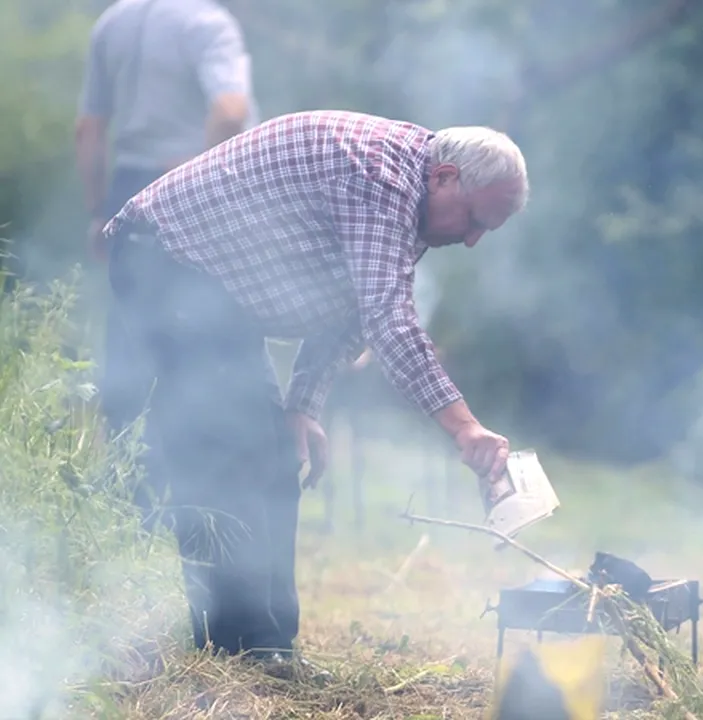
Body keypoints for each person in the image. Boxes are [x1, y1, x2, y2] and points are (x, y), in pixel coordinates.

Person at [100, 111, 526, 676]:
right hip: (164, 260)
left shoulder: (412, 198)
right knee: (233, 451)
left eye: (484, 231)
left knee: (271, 453)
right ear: (445, 176)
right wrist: (465, 427)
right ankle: (243, 648)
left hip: (210, 291)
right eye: (474, 219)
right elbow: (387, 321)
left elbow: (348, 311)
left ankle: (257, 647)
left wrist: (303, 405)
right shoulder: (381, 177)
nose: (470, 240)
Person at [74, 0, 258, 523]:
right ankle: (202, 503)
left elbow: (88, 130)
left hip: (128, 193)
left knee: (131, 348)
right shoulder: (209, 24)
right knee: (203, 349)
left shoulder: (112, 21)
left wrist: (97, 212)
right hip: (189, 188)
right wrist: (208, 186)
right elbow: (229, 110)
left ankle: (131, 507)